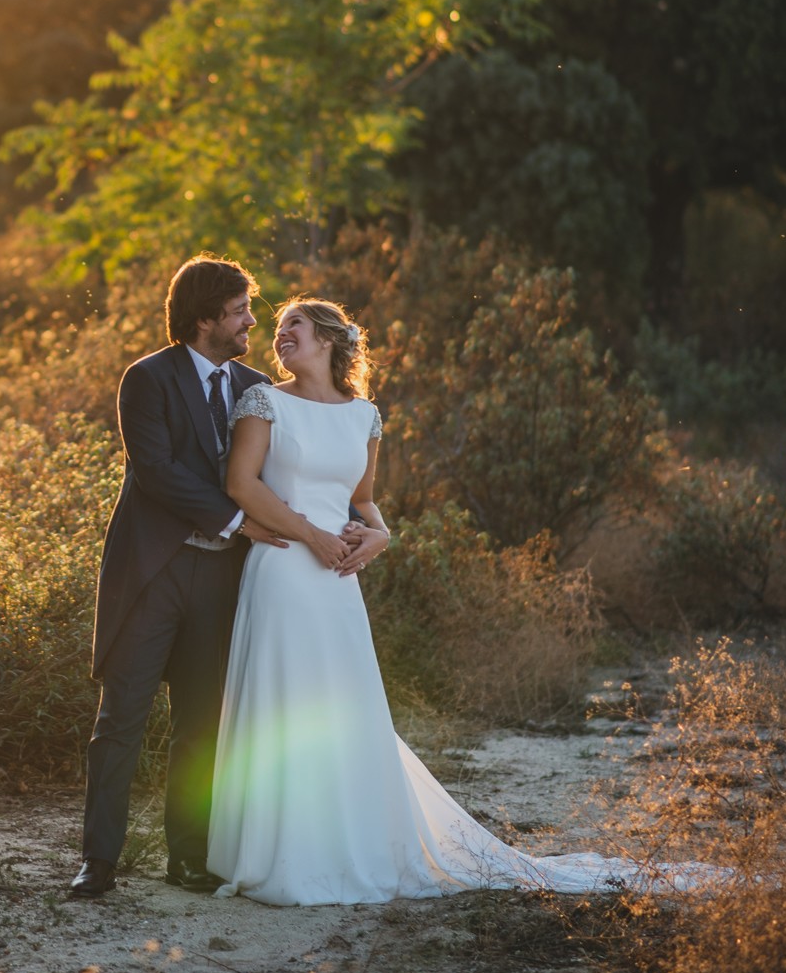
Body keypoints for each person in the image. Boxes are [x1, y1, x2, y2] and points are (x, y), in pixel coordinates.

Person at [205, 297, 668, 904]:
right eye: (276, 328)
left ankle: (345, 845)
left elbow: (363, 499)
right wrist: (312, 535)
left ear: (326, 338)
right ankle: (277, 853)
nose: (279, 335)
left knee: (343, 708)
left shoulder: (364, 415)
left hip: (339, 583)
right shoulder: (264, 401)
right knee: (284, 703)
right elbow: (241, 486)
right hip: (285, 571)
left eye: (292, 324)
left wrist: (382, 534)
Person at [70, 257, 383, 900]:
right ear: (206, 316)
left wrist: (366, 526)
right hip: (153, 572)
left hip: (223, 580)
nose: (251, 321)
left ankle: (186, 860)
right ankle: (98, 862)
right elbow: (155, 470)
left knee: (203, 724)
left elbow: (309, 466)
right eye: (241, 310)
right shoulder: (147, 378)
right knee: (121, 719)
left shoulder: (256, 386)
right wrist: (241, 519)